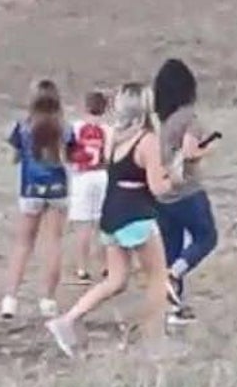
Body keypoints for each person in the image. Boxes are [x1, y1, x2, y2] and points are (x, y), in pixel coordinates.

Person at [46, 84, 172, 356]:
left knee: (116, 280)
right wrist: (175, 175)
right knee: (157, 279)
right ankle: (155, 340)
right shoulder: (147, 140)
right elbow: (158, 188)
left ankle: (67, 320)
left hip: (112, 215)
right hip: (138, 215)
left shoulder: (115, 136)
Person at [153, 58, 219, 324]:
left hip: (163, 194)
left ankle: (173, 308)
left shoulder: (165, 122)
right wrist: (208, 149)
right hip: (188, 192)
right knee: (206, 237)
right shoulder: (189, 118)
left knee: (171, 246)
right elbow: (191, 152)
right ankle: (175, 274)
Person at [2, 85, 75, 319]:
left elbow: (14, 158)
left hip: (30, 188)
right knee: (53, 243)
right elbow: (70, 157)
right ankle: (48, 300)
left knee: (23, 244)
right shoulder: (64, 128)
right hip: (57, 189)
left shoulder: (22, 127)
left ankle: (11, 299)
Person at [68, 90, 110, 282]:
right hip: (101, 174)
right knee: (102, 223)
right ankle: (105, 265)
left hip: (82, 176)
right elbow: (108, 156)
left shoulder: (76, 127)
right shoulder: (107, 130)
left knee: (83, 225)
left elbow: (67, 150)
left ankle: (82, 268)